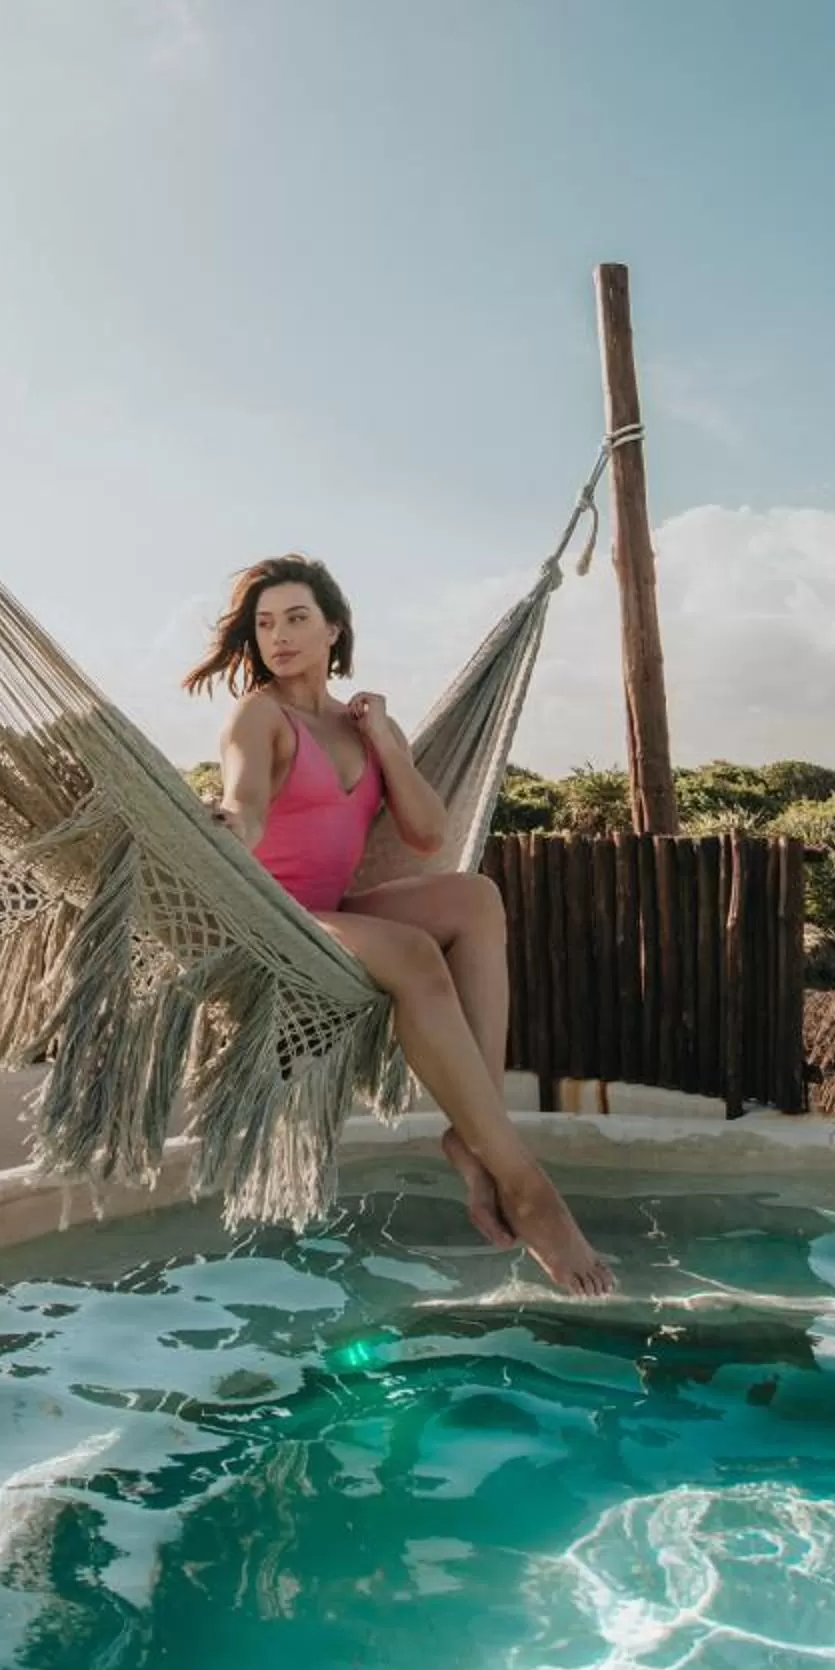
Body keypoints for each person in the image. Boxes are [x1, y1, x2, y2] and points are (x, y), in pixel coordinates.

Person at [186, 553, 613, 1298]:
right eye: (264, 624)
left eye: (295, 619)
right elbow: (247, 801)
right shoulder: (258, 714)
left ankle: (472, 1135)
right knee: (414, 953)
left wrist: (384, 738)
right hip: (278, 924)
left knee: (476, 898)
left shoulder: (362, 724)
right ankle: (524, 1182)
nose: (278, 637)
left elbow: (425, 831)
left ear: (333, 629)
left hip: (338, 912)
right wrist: (227, 823)